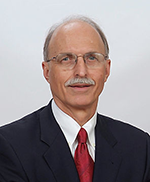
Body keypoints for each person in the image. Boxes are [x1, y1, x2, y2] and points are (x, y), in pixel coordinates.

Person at [0, 15, 150, 182]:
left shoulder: (140, 147)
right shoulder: (9, 146)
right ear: (47, 71)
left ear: (106, 70)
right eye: (66, 59)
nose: (81, 72)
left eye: (92, 58)